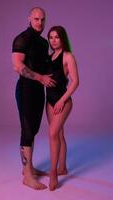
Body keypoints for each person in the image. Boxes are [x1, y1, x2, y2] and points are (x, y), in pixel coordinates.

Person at [12, 7, 56, 190]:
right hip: (26, 90)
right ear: (29, 18)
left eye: (43, 19)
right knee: (27, 129)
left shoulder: (43, 42)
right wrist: (41, 78)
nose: (40, 22)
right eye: (36, 19)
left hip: (39, 91)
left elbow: (45, 65)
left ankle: (28, 168)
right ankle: (27, 177)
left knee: (34, 129)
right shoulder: (22, 38)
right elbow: (17, 66)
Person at [46, 26, 79, 190]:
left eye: (56, 37)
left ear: (62, 39)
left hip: (63, 101)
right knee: (58, 134)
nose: (53, 40)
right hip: (49, 101)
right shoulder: (49, 57)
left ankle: (53, 172)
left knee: (52, 134)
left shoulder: (68, 56)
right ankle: (62, 168)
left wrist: (61, 101)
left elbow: (75, 82)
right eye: (51, 37)